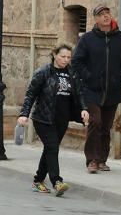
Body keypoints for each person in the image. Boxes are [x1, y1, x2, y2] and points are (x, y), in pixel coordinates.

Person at [17, 44, 90, 196]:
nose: (66, 60)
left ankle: (38, 181)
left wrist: (84, 109)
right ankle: (57, 181)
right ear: (54, 55)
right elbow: (31, 94)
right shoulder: (43, 72)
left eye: (69, 57)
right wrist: (24, 114)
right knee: (52, 147)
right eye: (63, 56)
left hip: (61, 118)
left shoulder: (72, 73)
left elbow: (79, 93)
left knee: (50, 148)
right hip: (43, 118)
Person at [71, 4, 121, 174]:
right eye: (101, 14)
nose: (105, 16)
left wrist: (120, 76)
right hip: (91, 90)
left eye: (107, 13)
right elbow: (77, 61)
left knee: (105, 126)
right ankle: (91, 160)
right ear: (96, 19)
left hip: (112, 90)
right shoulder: (87, 39)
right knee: (95, 122)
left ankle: (102, 160)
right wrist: (88, 76)